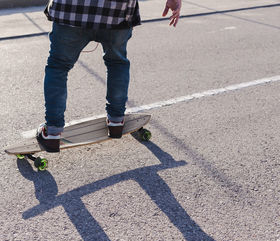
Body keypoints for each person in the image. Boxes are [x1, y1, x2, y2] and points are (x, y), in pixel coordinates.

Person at [38, 0, 182, 152]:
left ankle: (53, 131)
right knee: (117, 63)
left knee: (58, 67)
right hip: (116, 12)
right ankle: (116, 121)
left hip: (70, 10)